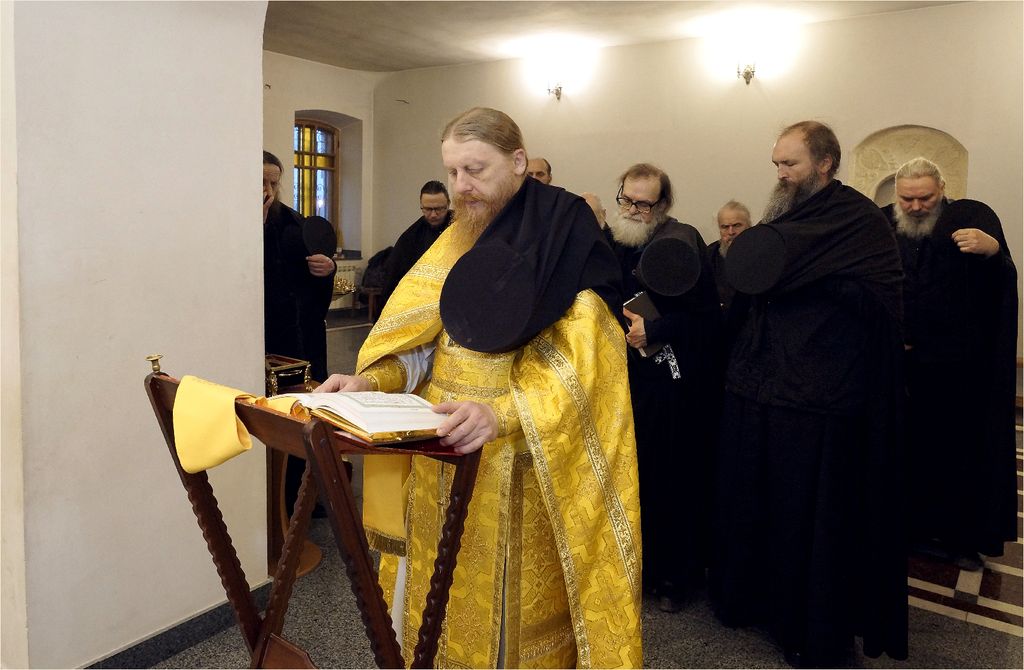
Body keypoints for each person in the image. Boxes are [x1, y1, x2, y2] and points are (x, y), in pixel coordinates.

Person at [315, 108, 642, 668]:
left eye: (475, 169)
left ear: (517, 161)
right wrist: (368, 379)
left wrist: (501, 415)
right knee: (433, 603)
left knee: (503, 623)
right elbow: (422, 344)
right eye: (453, 171)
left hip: (514, 463)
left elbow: (586, 367)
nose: (462, 186)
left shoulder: (564, 235)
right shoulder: (458, 236)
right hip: (436, 451)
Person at [710, 121, 907, 666]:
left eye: (790, 164)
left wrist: (821, 278)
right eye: (776, 163)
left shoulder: (859, 221)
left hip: (819, 396)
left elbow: (881, 303)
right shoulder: (783, 218)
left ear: (824, 164)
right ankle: (751, 601)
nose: (780, 174)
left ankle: (806, 625)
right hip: (759, 385)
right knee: (757, 505)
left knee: (807, 518)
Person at [883, 157, 1018, 570]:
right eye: (907, 199)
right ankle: (902, 530)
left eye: (925, 198)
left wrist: (993, 251)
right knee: (901, 453)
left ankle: (960, 540)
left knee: (956, 456)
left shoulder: (970, 220)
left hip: (956, 373)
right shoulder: (882, 225)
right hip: (899, 370)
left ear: (942, 189)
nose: (915, 207)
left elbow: (1000, 287)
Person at [604, 163, 721, 613]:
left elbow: (709, 320)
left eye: (644, 204)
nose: (633, 210)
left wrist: (655, 330)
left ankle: (676, 577)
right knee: (634, 479)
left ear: (663, 204)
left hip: (673, 392)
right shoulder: (615, 243)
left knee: (673, 482)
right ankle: (639, 569)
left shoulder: (682, 242)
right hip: (627, 384)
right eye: (627, 200)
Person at [262, 150, 336, 382]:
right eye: (261, 183)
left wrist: (328, 268)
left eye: (274, 184)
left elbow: (313, 270)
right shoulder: (231, 223)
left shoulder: (292, 222)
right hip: (260, 328)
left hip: (296, 329)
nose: (268, 192)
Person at [379, 180, 453, 306]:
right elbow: (393, 275)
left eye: (439, 209)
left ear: (448, 204)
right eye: (428, 209)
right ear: (421, 206)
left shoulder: (461, 227)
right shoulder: (411, 237)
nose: (433, 214)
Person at [706, 200, 751, 310]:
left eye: (737, 225)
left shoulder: (762, 253)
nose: (731, 232)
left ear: (749, 226)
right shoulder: (709, 255)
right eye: (725, 227)